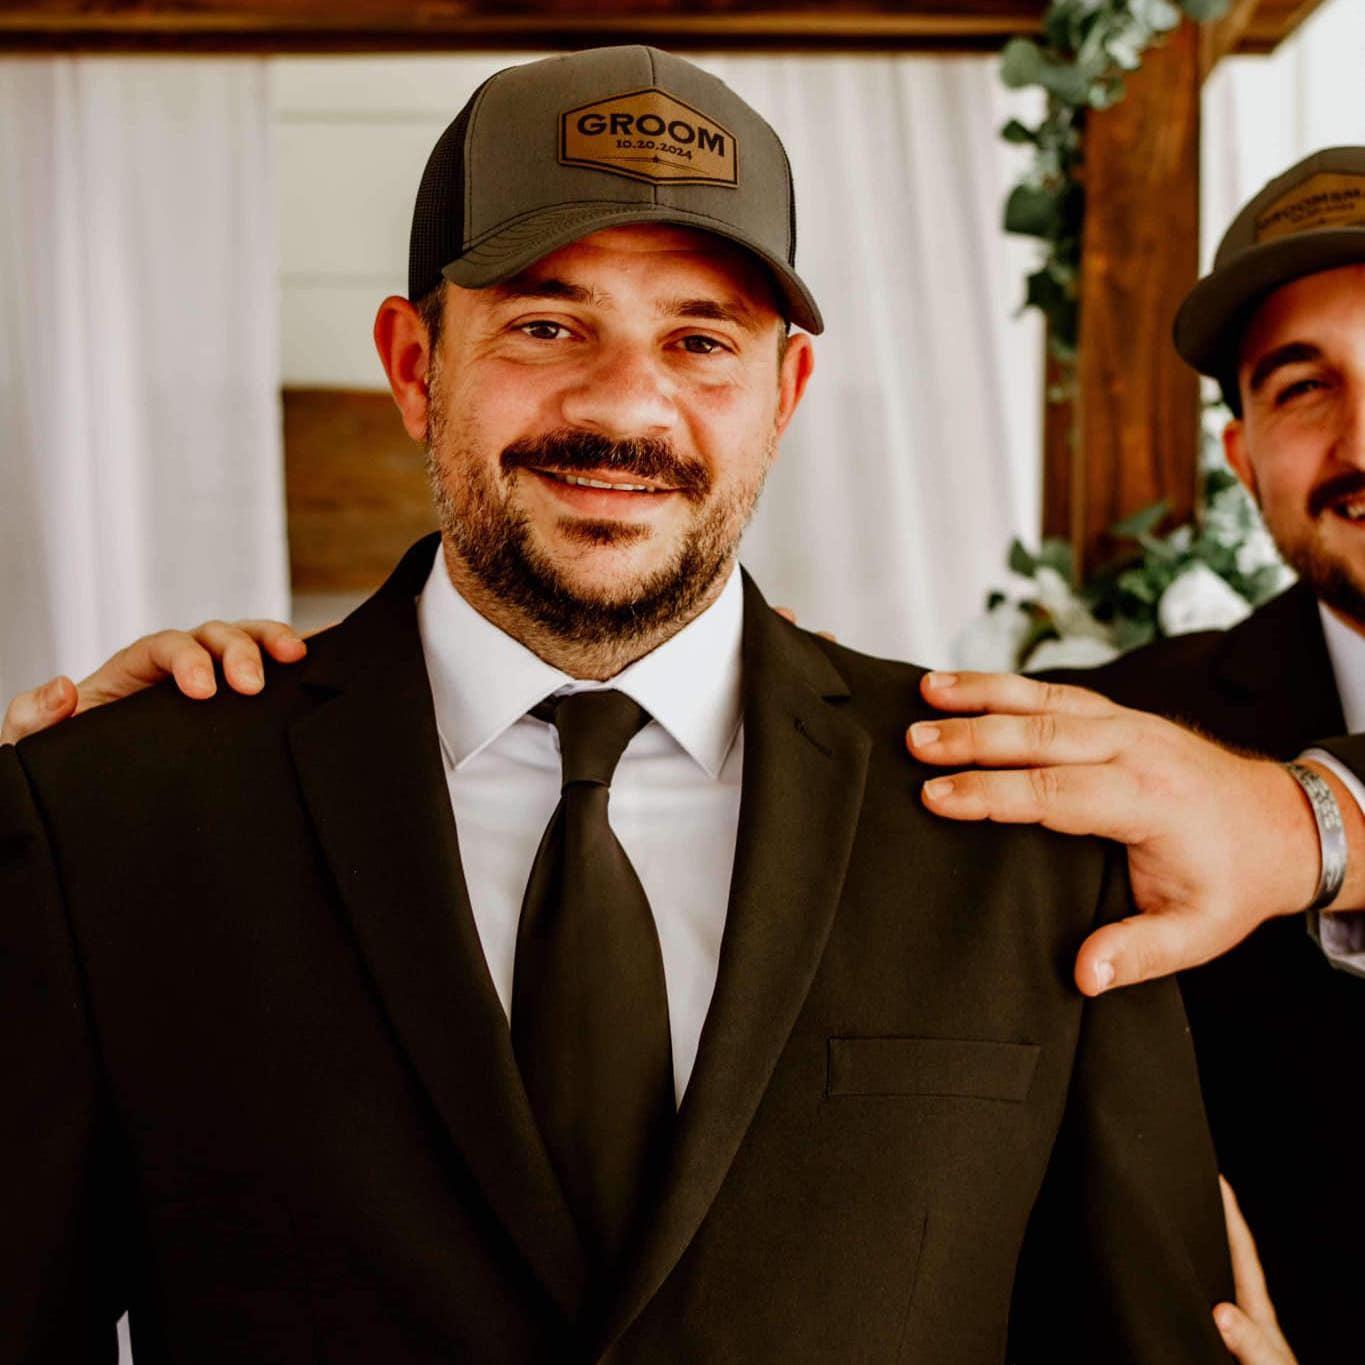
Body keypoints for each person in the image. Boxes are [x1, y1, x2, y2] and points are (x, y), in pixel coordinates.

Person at [0, 45, 1231, 1363]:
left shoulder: (1029, 827)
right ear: (415, 366)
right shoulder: (112, 818)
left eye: (700, 341)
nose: (626, 405)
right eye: (547, 326)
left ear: (784, 395)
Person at [908, 147, 1365, 1365]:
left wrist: (1301, 823)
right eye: (1304, 388)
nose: (1363, 437)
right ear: (1243, 457)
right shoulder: (1121, 731)